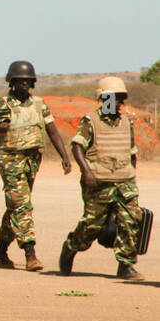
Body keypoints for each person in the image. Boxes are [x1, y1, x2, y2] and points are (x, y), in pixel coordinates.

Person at [0, 60, 71, 271]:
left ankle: (0, 248)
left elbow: (52, 130)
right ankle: (30, 252)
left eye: (28, 81)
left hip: (32, 160)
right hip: (10, 160)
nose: (24, 85)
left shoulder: (40, 104)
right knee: (22, 205)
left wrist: (64, 155)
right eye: (20, 81)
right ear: (12, 82)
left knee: (16, 206)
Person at [59, 77, 145, 281]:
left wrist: (131, 174)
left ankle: (126, 265)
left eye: (120, 99)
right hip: (98, 182)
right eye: (112, 98)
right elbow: (77, 145)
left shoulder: (126, 122)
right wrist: (86, 172)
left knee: (130, 221)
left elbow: (132, 151)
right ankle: (71, 246)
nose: (117, 103)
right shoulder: (91, 121)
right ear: (103, 98)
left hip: (125, 182)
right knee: (92, 226)